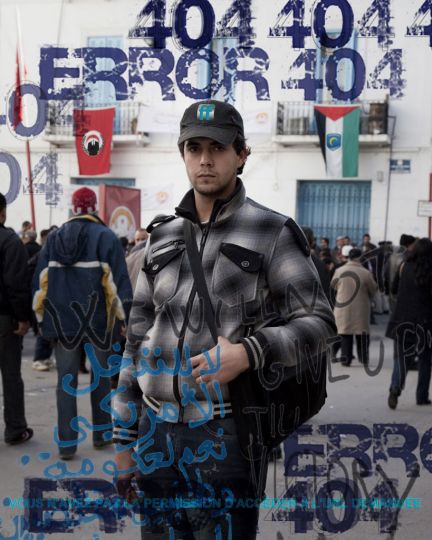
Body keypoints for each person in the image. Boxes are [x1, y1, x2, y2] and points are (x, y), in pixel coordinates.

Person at [112, 99, 335, 539]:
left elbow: (320, 322)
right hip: (156, 431)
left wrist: (250, 353)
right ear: (183, 154)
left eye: (217, 147)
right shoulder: (161, 237)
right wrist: (123, 437)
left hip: (226, 433)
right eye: (194, 148)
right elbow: (135, 341)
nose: (205, 159)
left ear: (241, 154)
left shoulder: (272, 231)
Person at [33, 187, 133, 459]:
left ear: (73, 207)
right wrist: (123, 317)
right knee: (100, 378)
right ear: (94, 206)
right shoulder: (105, 237)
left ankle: (66, 446)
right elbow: (116, 283)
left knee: (66, 382)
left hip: (63, 323)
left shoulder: (53, 239)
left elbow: (41, 283)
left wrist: (42, 319)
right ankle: (101, 434)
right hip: (99, 323)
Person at [0, 193, 33, 444]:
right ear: (2, 213)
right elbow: (16, 285)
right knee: (10, 375)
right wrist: (23, 318)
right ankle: (14, 429)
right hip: (4, 320)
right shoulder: (9, 241)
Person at [386, 238, 432, 409]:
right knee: (425, 359)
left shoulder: (404, 266)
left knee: (401, 359)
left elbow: (393, 289)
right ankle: (421, 396)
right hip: (425, 322)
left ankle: (395, 388)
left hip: (402, 319)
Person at [331, 247, 378, 366]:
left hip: (343, 307)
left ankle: (346, 359)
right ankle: (363, 358)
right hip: (361, 308)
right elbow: (373, 289)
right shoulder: (366, 273)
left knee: (345, 333)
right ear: (360, 258)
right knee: (362, 334)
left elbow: (334, 286)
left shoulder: (339, 271)